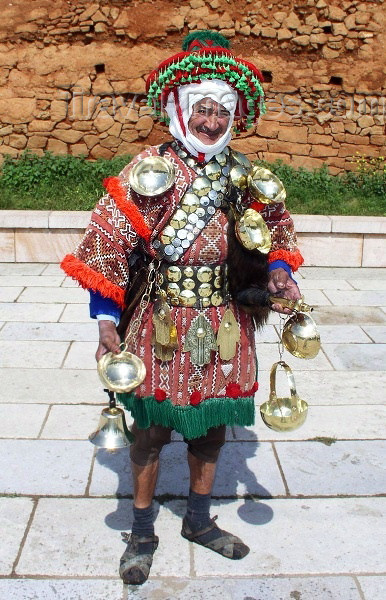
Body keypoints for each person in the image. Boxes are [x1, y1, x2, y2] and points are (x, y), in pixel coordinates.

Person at [61, 30, 303, 586]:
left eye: (222, 110)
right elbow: (107, 243)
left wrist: (278, 272)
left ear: (234, 115)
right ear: (178, 107)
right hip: (161, 319)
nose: (212, 121)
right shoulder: (147, 169)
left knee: (213, 427)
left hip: (225, 321)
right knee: (149, 431)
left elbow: (279, 233)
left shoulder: (247, 177)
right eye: (202, 108)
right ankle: (142, 531)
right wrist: (104, 320)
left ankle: (197, 521)